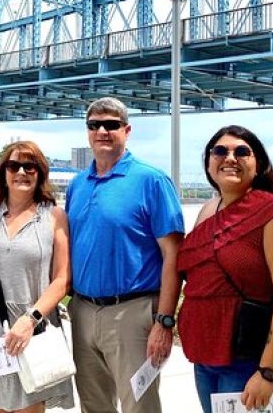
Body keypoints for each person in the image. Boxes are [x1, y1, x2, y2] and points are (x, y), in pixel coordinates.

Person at [177, 125, 273, 413]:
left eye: (242, 152)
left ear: (258, 163)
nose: (230, 158)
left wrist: (268, 372)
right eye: (220, 151)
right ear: (209, 162)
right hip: (207, 357)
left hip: (251, 360)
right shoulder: (208, 210)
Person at [66, 97, 185, 413]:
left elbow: (174, 256)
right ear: (87, 132)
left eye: (111, 125)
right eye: (94, 125)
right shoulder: (77, 185)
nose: (102, 131)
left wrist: (164, 321)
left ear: (127, 130)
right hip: (82, 311)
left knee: (139, 406)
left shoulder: (151, 181)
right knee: (93, 405)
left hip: (133, 313)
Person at [0, 140, 73, 413]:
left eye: (30, 166)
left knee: (30, 406)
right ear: (4, 172)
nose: (21, 172)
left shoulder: (53, 216)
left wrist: (30, 320)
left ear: (40, 172)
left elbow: (62, 279)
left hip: (31, 328)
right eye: (14, 165)